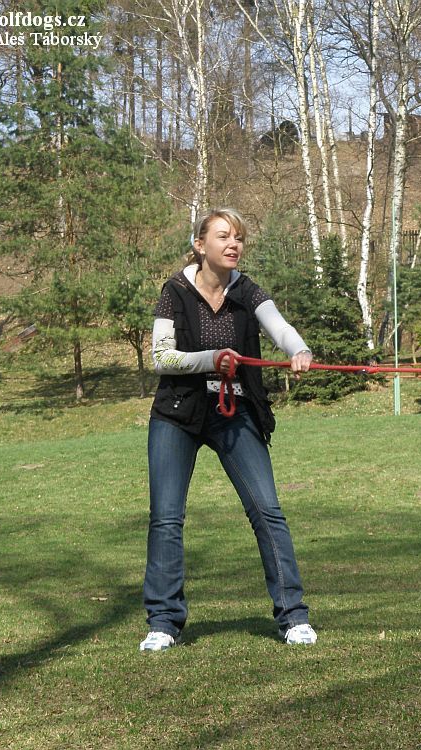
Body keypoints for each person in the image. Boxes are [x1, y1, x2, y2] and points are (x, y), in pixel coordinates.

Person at [140, 208, 316, 652]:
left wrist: (300, 350)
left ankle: (293, 617)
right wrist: (212, 357)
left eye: (239, 237)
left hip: (234, 410)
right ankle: (163, 621)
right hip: (177, 413)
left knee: (268, 511)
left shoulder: (247, 290)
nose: (234, 244)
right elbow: (161, 357)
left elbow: (280, 327)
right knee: (166, 519)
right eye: (224, 236)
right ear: (201, 245)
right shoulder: (175, 291)